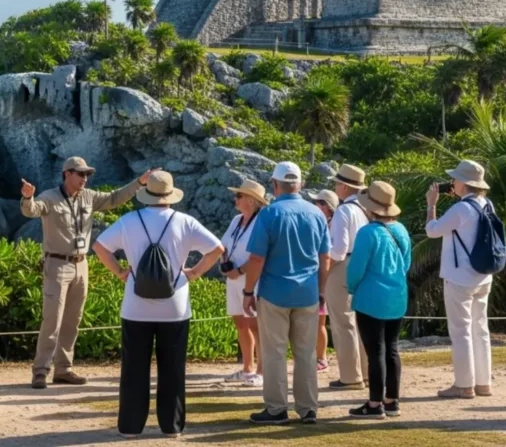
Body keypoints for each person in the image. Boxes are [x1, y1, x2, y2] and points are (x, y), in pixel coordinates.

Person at [93, 171, 224, 438]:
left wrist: (120, 272)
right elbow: (217, 249)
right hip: (175, 305)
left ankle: (130, 426)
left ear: (146, 195)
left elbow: (99, 247)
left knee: (133, 368)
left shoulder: (129, 220)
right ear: (170, 195)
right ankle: (171, 426)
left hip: (135, 305)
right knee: (173, 368)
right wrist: (194, 272)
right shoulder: (184, 222)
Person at [21, 157, 154, 389]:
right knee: (52, 319)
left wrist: (139, 183)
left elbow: (115, 198)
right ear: (66, 174)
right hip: (56, 264)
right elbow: (32, 210)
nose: (85, 178)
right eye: (80, 174)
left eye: (87, 175)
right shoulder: (50, 197)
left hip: (82, 264)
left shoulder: (89, 197)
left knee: (73, 319)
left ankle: (64, 369)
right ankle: (41, 371)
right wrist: (27, 196)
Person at [243, 162, 331, 426]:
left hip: (274, 292)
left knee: (273, 353)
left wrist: (248, 291)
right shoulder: (316, 213)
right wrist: (322, 290)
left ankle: (276, 408)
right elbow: (325, 256)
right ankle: (308, 409)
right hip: (307, 293)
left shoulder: (269, 214)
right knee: (306, 353)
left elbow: (257, 258)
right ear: (300, 184)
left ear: (274, 184)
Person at [425, 160, 495, 399]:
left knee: (461, 330)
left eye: (455, 179)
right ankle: (483, 383)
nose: (452, 182)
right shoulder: (487, 204)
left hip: (459, 276)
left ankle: (464, 384)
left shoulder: (461, 209)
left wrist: (431, 206)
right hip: (484, 275)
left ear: (463, 183)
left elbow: (432, 230)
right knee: (480, 328)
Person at [346, 181, 412, 419]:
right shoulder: (401, 230)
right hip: (398, 296)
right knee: (392, 348)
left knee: (375, 351)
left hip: (371, 298)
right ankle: (392, 400)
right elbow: (406, 264)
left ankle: (375, 404)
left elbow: (356, 269)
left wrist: (351, 287)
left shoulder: (367, 233)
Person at [324, 164, 370, 390]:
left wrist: (324, 271)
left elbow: (338, 249)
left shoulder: (344, 210)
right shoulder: (364, 209)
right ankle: (366, 370)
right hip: (361, 264)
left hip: (343, 264)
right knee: (358, 319)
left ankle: (351, 376)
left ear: (343, 186)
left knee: (342, 321)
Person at [220, 179, 268, 387]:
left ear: (251, 200)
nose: (235, 199)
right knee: (240, 322)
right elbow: (223, 245)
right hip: (233, 279)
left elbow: (260, 254)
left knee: (255, 325)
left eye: (239, 196)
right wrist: (226, 265)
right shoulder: (236, 220)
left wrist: (239, 270)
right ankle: (247, 367)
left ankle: (262, 371)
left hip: (252, 279)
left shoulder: (261, 222)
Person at [307, 188, 339, 372]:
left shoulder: (331, 225)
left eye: (318, 202)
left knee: (319, 322)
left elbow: (329, 255)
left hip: (323, 279)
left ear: (326, 206)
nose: (314, 205)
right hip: (319, 278)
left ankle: (322, 358)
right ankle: (317, 357)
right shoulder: (326, 223)